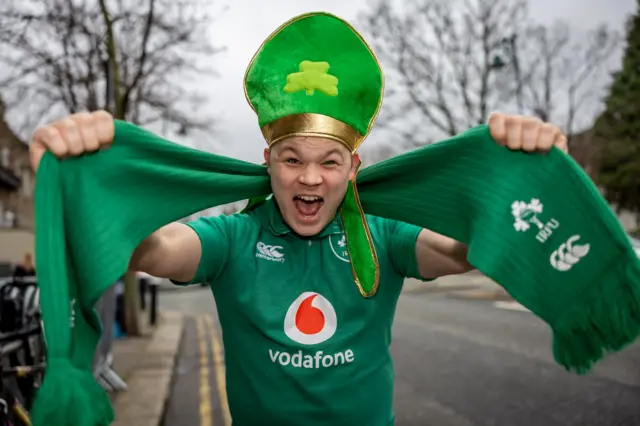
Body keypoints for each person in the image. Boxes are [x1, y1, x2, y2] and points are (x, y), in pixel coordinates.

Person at [28, 12, 568, 426]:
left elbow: (462, 250)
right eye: (292, 160)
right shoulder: (233, 238)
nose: (310, 179)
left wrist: (520, 179)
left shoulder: (384, 235)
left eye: (329, 162)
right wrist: (88, 184)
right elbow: (153, 250)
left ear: (352, 168)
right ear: (269, 164)